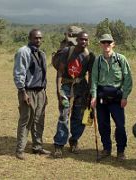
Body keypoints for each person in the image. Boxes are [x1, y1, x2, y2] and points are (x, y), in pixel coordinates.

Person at [90, 34, 133, 161]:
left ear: (113, 44)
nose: (106, 45)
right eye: (104, 43)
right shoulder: (97, 61)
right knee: (103, 125)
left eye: (109, 43)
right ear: (100, 45)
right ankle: (106, 148)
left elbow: (128, 79)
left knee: (120, 125)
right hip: (102, 98)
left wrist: (125, 96)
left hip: (116, 98)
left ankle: (121, 151)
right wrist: (93, 96)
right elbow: (93, 80)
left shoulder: (121, 59)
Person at [53, 31, 95, 158]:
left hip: (82, 88)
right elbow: (60, 72)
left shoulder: (90, 56)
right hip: (66, 87)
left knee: (79, 116)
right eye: (81, 39)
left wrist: (90, 93)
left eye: (86, 40)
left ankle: (74, 140)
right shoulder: (67, 51)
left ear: (88, 41)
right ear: (77, 39)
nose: (83, 42)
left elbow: (91, 76)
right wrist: (58, 92)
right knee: (64, 114)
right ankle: (59, 144)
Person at [13, 29, 50, 160]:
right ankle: (20, 150)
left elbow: (42, 74)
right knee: (26, 120)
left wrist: (44, 92)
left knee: (39, 120)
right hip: (27, 91)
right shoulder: (23, 52)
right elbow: (19, 73)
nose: (38, 40)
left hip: (40, 92)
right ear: (29, 38)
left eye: (40, 38)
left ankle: (37, 147)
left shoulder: (42, 54)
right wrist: (23, 92)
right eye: (35, 38)